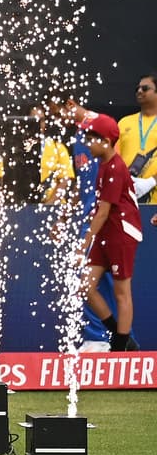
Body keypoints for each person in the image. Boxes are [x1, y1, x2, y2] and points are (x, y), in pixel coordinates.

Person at [79, 114, 140, 350]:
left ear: (106, 141)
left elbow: (104, 212)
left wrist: (84, 243)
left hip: (120, 234)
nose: (87, 144)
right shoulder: (103, 165)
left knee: (121, 292)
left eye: (91, 139)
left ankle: (120, 348)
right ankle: (120, 336)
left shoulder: (115, 167)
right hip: (106, 233)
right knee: (86, 287)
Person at [115, 73, 157, 190]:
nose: (139, 91)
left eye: (145, 88)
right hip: (127, 192)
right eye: (137, 88)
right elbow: (114, 158)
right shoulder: (124, 122)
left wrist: (152, 181)